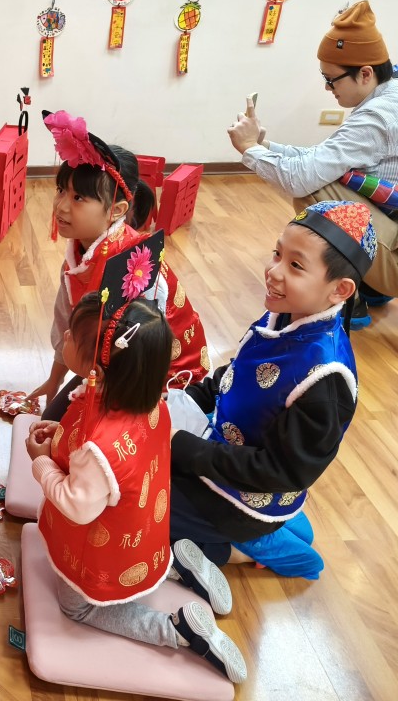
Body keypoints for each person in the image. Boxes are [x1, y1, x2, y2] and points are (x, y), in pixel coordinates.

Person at [27, 292, 246, 684]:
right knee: (138, 547)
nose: (65, 337)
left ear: (97, 368)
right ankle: (178, 564)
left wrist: (41, 462)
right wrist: (61, 432)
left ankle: (179, 630)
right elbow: (101, 440)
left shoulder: (97, 448)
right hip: (144, 532)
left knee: (77, 608)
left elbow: (76, 504)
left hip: (104, 546)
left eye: (72, 336)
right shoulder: (148, 402)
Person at [169, 200, 376, 580]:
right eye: (277, 254)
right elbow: (236, 375)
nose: (273, 271)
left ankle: (249, 548)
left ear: (340, 289)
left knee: (137, 508)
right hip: (225, 457)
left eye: (296, 265)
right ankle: (280, 527)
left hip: (246, 496)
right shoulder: (284, 314)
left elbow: (281, 471)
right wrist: (184, 400)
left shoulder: (326, 378)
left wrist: (182, 447)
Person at [30, 111, 210, 420]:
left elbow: (143, 356)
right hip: (109, 361)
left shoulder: (136, 270)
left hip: (155, 381)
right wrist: (54, 380)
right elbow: (66, 325)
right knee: (51, 423)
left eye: (78, 198)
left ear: (116, 210)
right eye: (61, 190)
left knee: (67, 433)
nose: (60, 206)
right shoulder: (79, 255)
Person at [228, 0, 397, 326]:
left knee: (315, 197)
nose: (327, 87)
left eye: (332, 79)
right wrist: (263, 146)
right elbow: (323, 159)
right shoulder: (389, 94)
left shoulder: (377, 118)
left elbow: (302, 179)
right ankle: (371, 284)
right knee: (324, 179)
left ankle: (349, 296)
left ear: (365, 73)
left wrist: (249, 148)